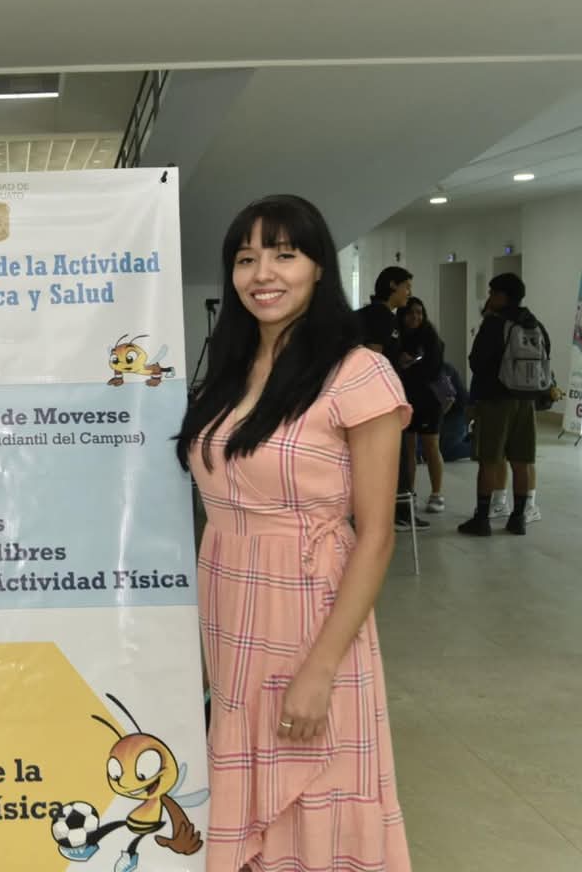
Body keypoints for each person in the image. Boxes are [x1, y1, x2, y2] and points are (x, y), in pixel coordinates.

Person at [177, 195, 411, 872]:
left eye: (284, 254)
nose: (262, 274)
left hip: (309, 612)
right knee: (245, 781)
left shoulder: (356, 372)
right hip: (231, 607)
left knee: (316, 792)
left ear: (318, 268)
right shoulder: (230, 370)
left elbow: (376, 536)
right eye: (245, 258)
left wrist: (319, 670)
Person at [459, 272, 549, 537]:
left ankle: (482, 519)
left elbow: (476, 361)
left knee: (489, 459)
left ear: (502, 296)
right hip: (526, 401)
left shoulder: (494, 324)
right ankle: (518, 518)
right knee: (522, 461)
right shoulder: (534, 323)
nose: (489, 297)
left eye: (492, 292)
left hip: (495, 401)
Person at [358, 266, 428, 532]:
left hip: (375, 398)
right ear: (392, 286)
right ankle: (398, 513)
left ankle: (386, 511)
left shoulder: (377, 315)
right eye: (406, 287)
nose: (408, 293)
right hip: (380, 400)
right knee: (394, 457)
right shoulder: (381, 316)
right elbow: (372, 358)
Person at [397, 296, 449, 512]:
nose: (415, 317)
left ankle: (437, 494)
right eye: (410, 313)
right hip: (405, 400)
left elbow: (433, 368)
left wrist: (410, 366)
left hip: (429, 400)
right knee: (408, 449)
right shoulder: (397, 337)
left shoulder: (430, 338)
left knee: (431, 446)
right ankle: (409, 492)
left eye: (419, 312)